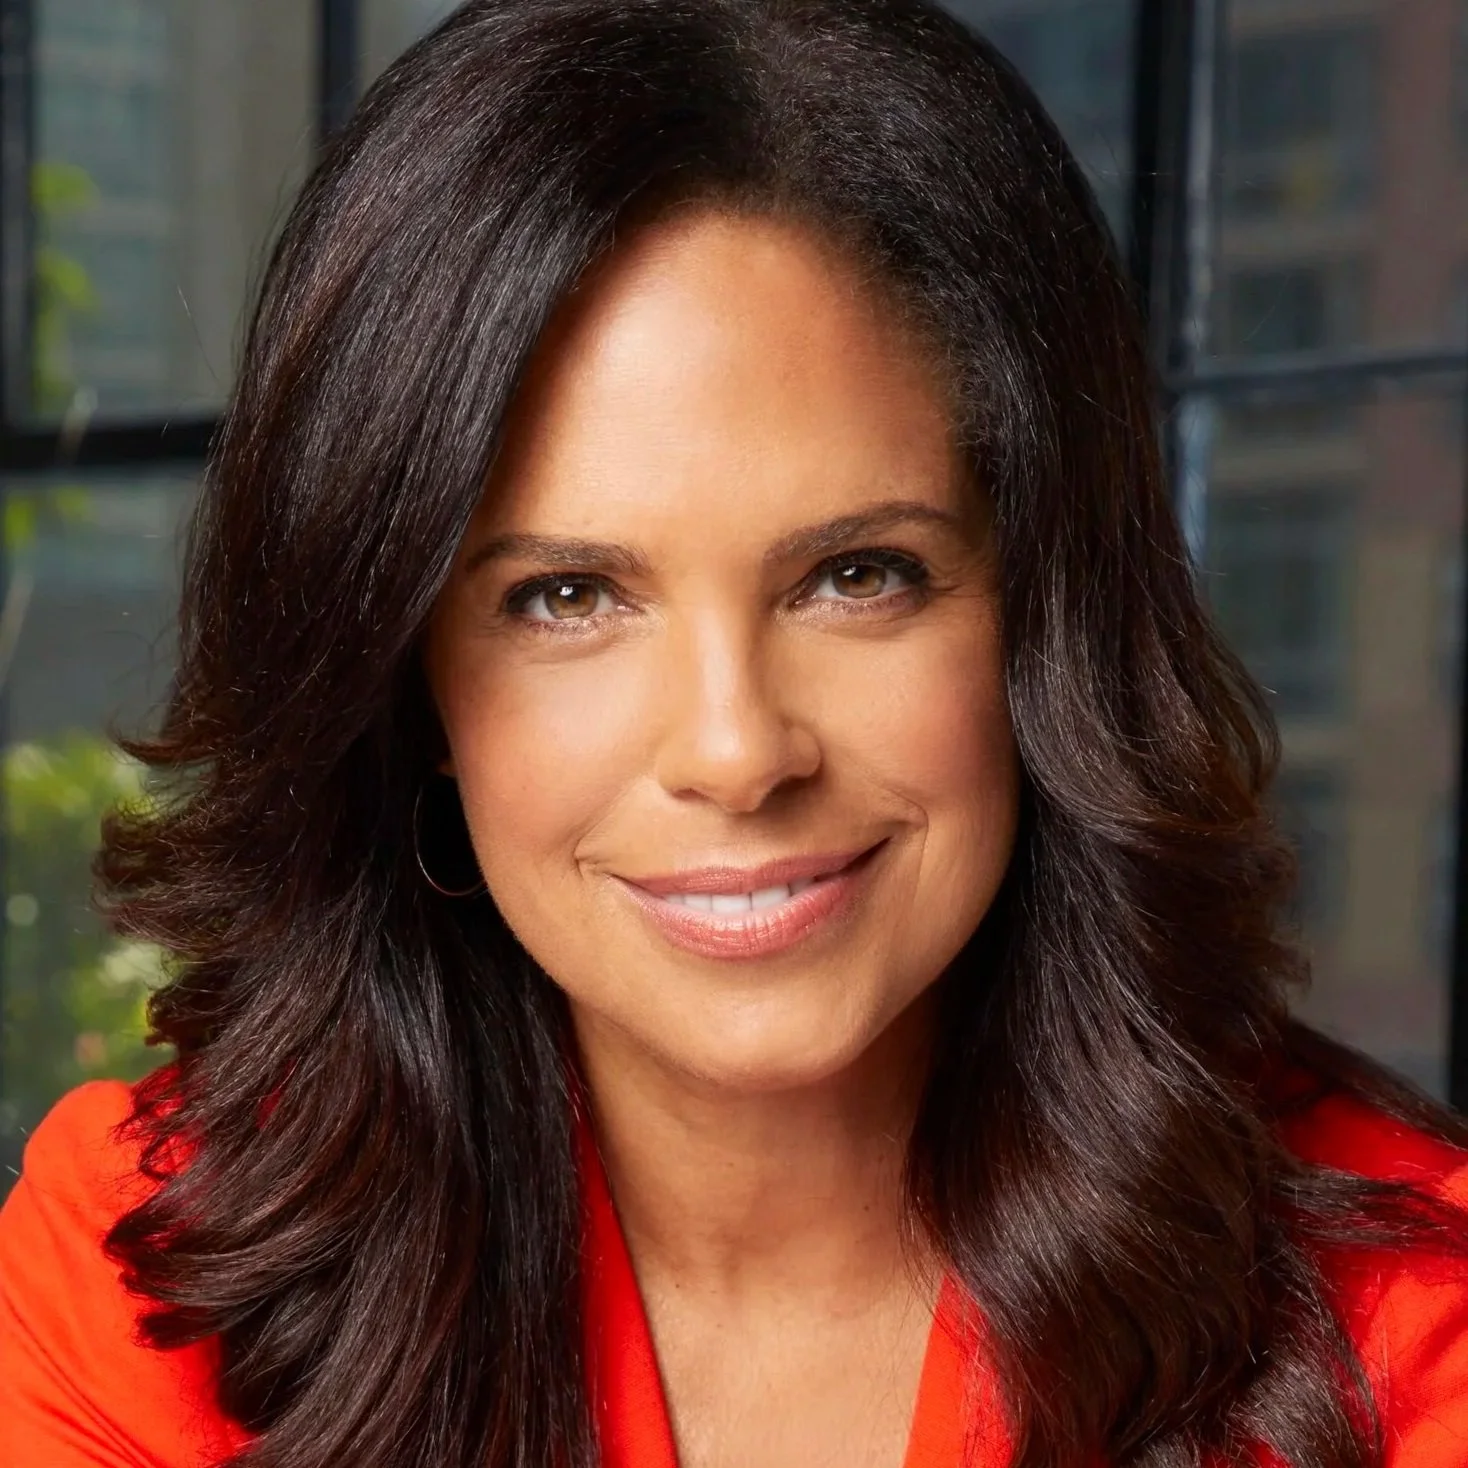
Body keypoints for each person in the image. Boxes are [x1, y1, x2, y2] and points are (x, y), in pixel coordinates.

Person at [3, 0, 1468, 1464]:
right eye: (567, 596)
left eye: (859, 575)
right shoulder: (143, 1290)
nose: (736, 751)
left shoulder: (1406, 1328)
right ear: (409, 678)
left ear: (1042, 611)